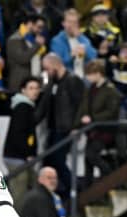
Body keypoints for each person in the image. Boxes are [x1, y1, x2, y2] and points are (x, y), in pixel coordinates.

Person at [39, 52, 85, 203]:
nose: (46, 71)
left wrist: (76, 126)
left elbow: (81, 105)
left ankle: (74, 189)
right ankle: (60, 190)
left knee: (58, 159)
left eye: (47, 68)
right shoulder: (52, 82)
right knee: (49, 160)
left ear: (55, 65)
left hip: (66, 128)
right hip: (53, 127)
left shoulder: (73, 81)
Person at [76, 59, 121, 190]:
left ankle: (111, 176)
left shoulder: (110, 90)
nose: (87, 77)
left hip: (105, 129)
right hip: (93, 129)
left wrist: (93, 118)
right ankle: (88, 188)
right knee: (87, 158)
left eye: (89, 74)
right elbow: (86, 107)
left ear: (98, 73)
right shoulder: (92, 88)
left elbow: (111, 111)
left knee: (91, 154)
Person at [4, 75, 43, 204]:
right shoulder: (23, 107)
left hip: (18, 156)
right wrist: (28, 154)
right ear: (23, 90)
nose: (35, 91)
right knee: (20, 194)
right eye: (31, 88)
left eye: (37, 88)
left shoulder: (26, 106)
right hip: (18, 157)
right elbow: (19, 133)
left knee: (31, 187)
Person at [6, 14, 47, 105]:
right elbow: (23, 58)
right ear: (29, 24)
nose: (40, 31)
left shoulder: (33, 40)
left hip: (34, 86)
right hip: (19, 86)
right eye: (39, 27)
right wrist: (37, 45)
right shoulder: (15, 39)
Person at [49, 8, 97, 78]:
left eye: (75, 22)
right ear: (63, 23)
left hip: (85, 76)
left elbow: (93, 57)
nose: (72, 25)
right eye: (69, 22)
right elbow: (57, 63)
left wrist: (80, 39)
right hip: (67, 77)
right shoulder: (57, 41)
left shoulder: (83, 39)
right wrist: (71, 56)